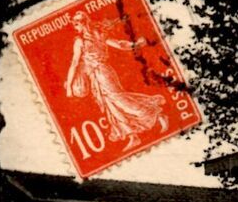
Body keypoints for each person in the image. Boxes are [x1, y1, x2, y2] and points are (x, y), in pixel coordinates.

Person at [64, 11, 168, 151]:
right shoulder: (98, 35)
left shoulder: (80, 41)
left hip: (101, 73)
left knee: (119, 100)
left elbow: (74, 63)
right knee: (110, 106)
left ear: (82, 23)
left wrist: (70, 86)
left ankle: (156, 114)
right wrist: (135, 44)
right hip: (98, 75)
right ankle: (132, 136)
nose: (75, 27)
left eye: (76, 24)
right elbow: (120, 44)